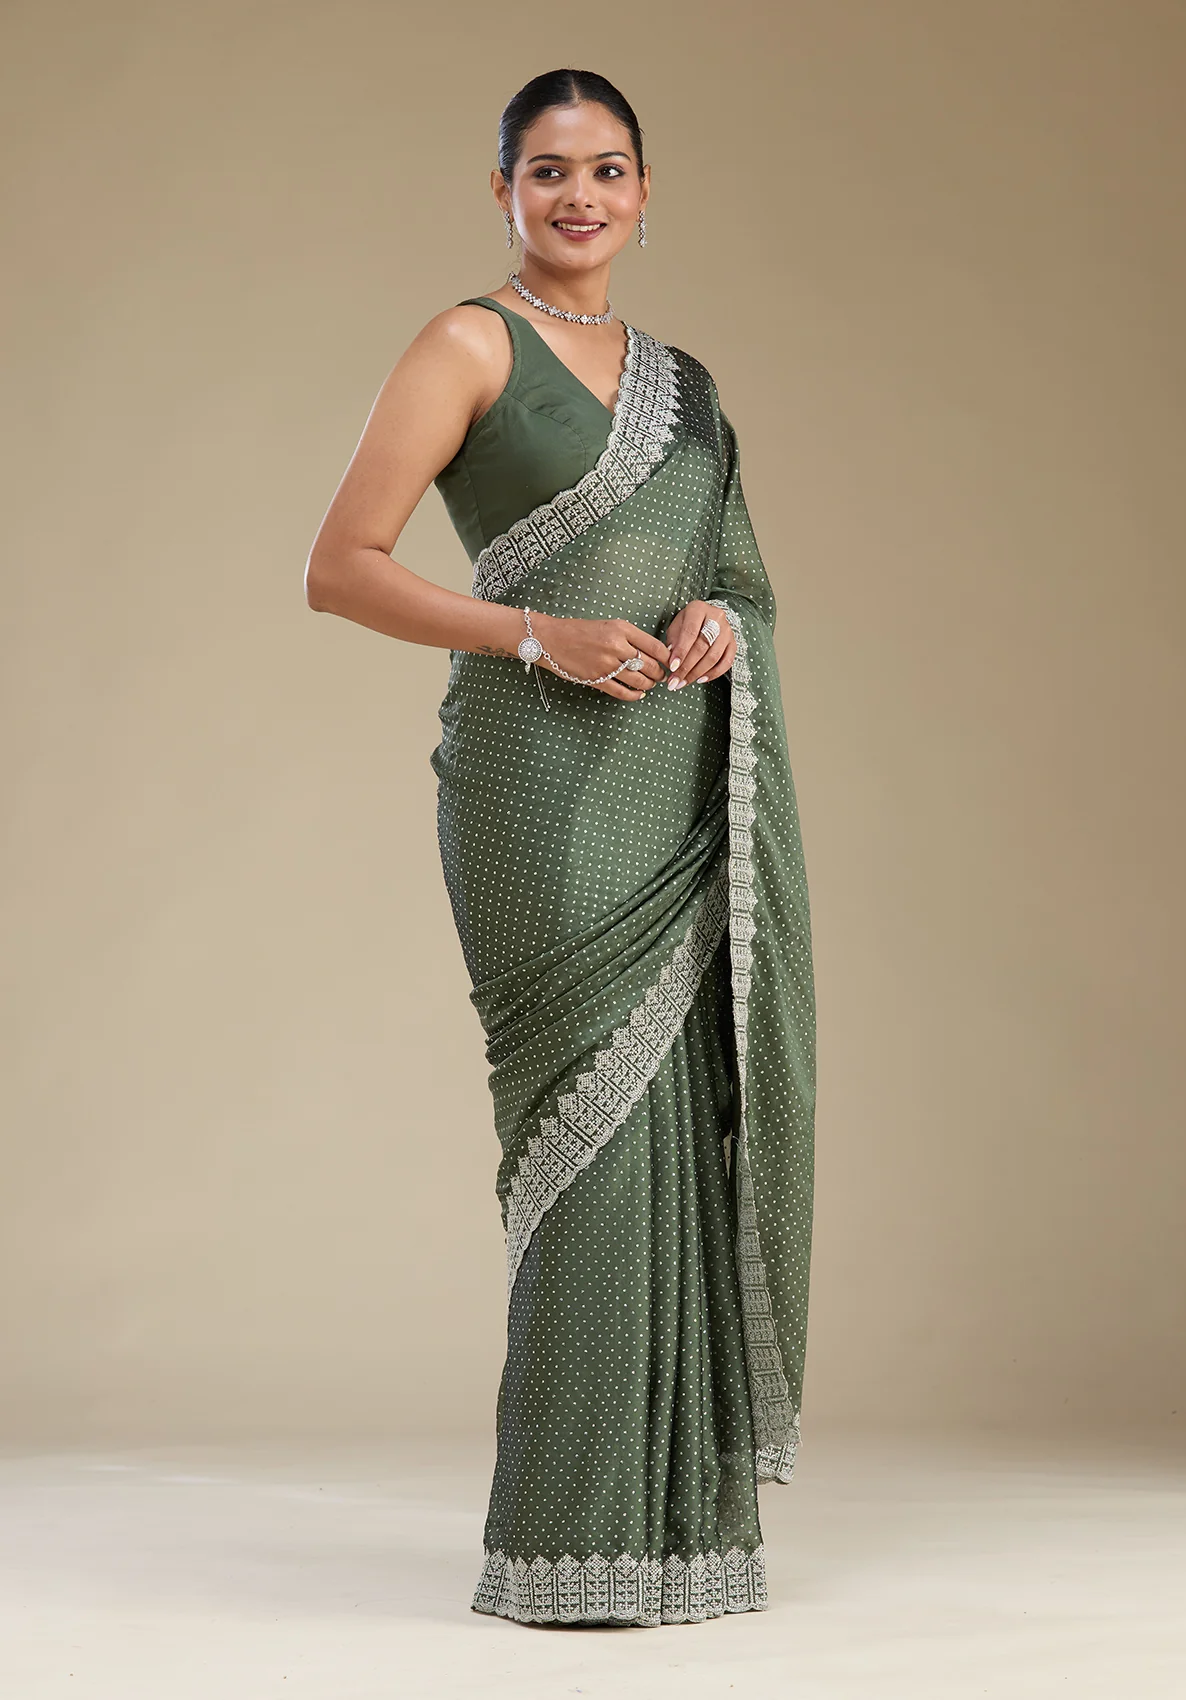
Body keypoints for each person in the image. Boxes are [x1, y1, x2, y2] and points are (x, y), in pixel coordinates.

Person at [304, 67, 816, 1629]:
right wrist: (539, 634)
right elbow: (342, 567)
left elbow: (736, 576)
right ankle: (562, 1540)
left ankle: (675, 1535)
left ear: (645, 193)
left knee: (676, 1122)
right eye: (547, 170)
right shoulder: (468, 344)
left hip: (670, 772)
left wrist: (719, 619)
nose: (579, 195)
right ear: (504, 192)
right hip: (535, 781)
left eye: (606, 169)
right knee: (586, 1137)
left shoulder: (691, 387)